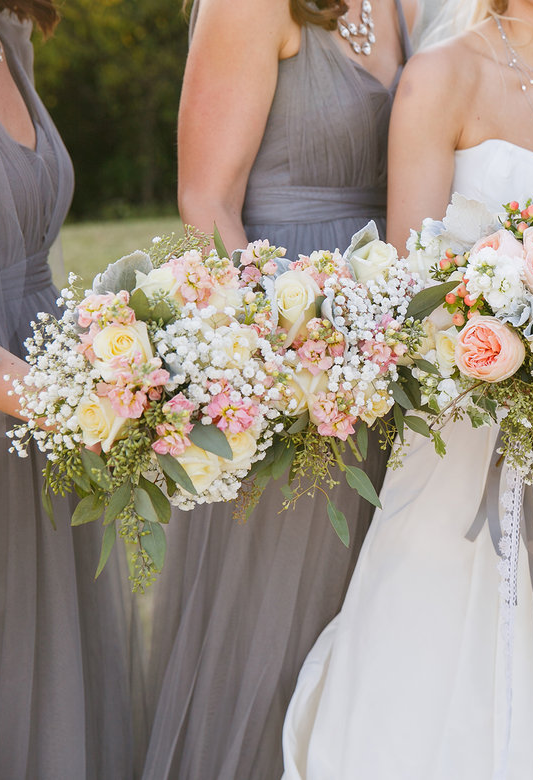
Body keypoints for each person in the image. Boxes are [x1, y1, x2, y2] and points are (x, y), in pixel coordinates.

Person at [280, 0, 533, 775]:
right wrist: (501, 345)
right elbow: (409, 291)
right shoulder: (441, 76)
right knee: (433, 639)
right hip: (466, 420)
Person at [141, 0, 413, 776]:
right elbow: (206, 202)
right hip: (283, 363)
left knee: (367, 629)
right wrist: (284, 350)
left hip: (382, 352)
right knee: (273, 627)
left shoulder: (404, 6)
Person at [0, 2, 133, 777]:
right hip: (1, 408)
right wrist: (54, 401)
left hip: (44, 404)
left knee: (51, 671)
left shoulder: (7, 39)